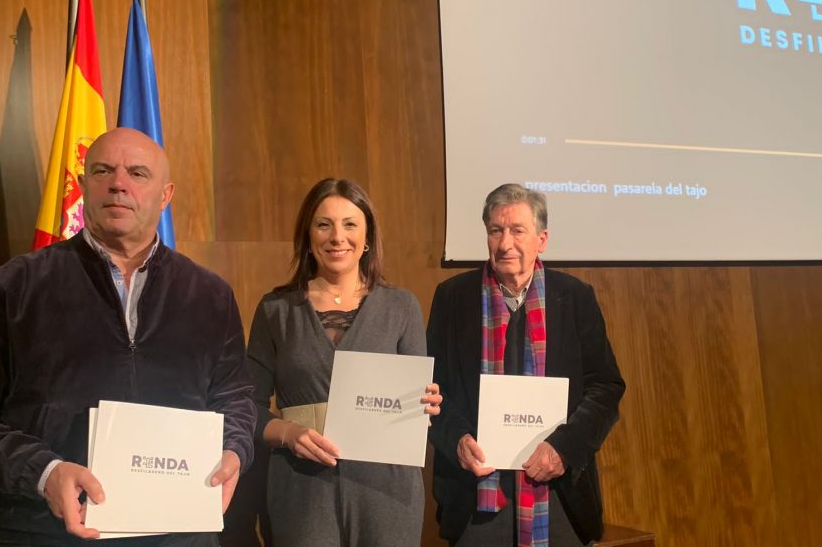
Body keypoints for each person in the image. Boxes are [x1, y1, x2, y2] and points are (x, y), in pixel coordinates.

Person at [0, 127, 256, 546]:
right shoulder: (18, 285)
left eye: (137, 173)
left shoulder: (210, 295)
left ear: (165, 194)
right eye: (103, 170)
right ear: (82, 186)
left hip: (180, 535)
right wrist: (43, 473)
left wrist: (235, 450)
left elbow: (236, 399)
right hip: (44, 533)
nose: (118, 183)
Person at [246, 178, 443, 546]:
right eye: (324, 224)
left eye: (350, 224)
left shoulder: (402, 307)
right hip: (301, 486)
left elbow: (419, 407)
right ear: (308, 236)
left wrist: (426, 405)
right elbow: (247, 407)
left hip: (387, 489)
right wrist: (288, 435)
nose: (338, 237)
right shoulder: (276, 310)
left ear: (367, 237)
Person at [428, 183, 626, 546]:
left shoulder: (575, 297)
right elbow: (432, 390)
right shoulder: (453, 298)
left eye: (517, 231)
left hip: (559, 493)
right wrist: (457, 440)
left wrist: (564, 449)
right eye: (495, 231)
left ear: (542, 239)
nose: (505, 244)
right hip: (477, 498)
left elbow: (606, 387)